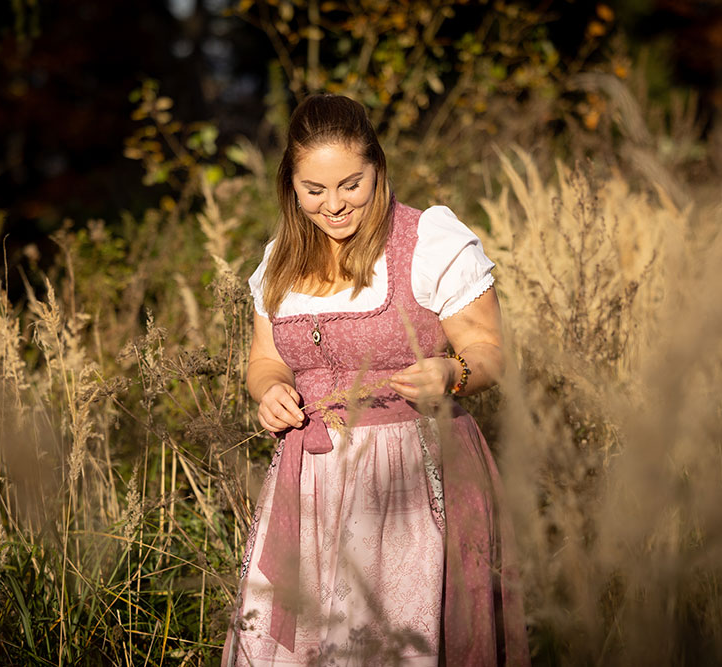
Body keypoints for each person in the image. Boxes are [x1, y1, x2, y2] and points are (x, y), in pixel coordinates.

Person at [222, 94, 529, 666]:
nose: (334, 205)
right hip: (309, 482)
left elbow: (489, 352)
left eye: (351, 185)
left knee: (394, 644)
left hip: (411, 480)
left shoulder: (429, 241)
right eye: (314, 191)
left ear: (378, 170)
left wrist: (452, 372)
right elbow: (264, 359)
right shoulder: (280, 260)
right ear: (291, 185)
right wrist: (269, 392)